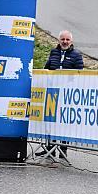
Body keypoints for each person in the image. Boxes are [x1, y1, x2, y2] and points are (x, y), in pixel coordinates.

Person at [37, 30, 84, 159]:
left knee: (64, 123)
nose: (65, 42)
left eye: (67, 40)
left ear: (71, 41)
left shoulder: (76, 55)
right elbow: (47, 68)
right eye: (62, 39)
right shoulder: (54, 52)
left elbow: (80, 74)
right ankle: (49, 149)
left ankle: (63, 149)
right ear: (59, 40)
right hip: (53, 93)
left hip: (67, 94)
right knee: (51, 122)